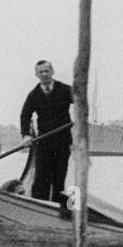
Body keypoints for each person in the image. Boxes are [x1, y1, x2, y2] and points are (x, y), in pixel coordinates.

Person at [19, 60, 73, 209]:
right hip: (44, 142)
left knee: (59, 178)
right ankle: (39, 209)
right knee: (41, 178)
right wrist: (26, 135)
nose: (44, 74)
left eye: (46, 71)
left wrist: (81, 119)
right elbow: (25, 115)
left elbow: (81, 103)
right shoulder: (34, 94)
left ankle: (58, 210)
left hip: (63, 141)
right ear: (36, 74)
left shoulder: (65, 90)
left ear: (52, 72)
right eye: (40, 72)